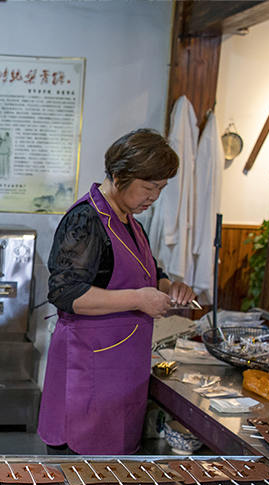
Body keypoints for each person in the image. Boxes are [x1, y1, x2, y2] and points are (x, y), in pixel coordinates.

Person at [38, 128, 195, 455]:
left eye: (161, 189)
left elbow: (150, 273)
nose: (153, 197)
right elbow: (67, 293)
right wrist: (139, 299)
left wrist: (169, 286)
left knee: (111, 477)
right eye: (149, 187)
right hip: (88, 370)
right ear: (120, 174)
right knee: (79, 478)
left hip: (120, 372)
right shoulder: (86, 220)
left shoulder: (131, 222)